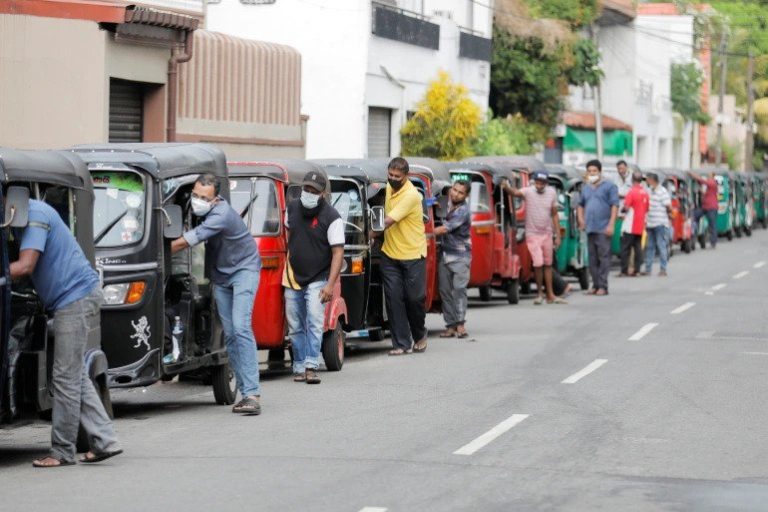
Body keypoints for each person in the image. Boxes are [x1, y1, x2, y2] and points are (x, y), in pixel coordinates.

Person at [11, 199, 121, 468]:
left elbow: (25, 265)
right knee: (74, 374)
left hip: (75, 297)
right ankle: (105, 440)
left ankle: (62, 451)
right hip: (72, 297)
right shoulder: (20, 217)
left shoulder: (35, 213)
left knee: (65, 375)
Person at [171, 174, 263, 415]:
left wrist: (152, 252)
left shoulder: (221, 214)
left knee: (242, 327)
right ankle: (245, 393)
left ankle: (252, 393)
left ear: (215, 199)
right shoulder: (190, 206)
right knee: (231, 335)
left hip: (244, 269)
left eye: (205, 198)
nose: (199, 200)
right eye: (196, 195)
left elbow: (188, 241)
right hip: (221, 275)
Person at [283, 170, 344, 384]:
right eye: (306, 189)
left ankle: (311, 366)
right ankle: (299, 366)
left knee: (315, 321)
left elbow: (338, 252)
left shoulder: (332, 217)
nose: (308, 193)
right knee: (295, 325)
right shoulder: (290, 209)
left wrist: (330, 285)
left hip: (319, 277)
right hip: (292, 277)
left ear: (322, 193)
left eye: (313, 191)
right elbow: (289, 238)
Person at [379, 157, 428, 355]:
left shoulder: (411, 195)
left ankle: (419, 334)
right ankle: (401, 343)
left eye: (396, 176)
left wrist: (370, 232)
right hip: (389, 253)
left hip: (412, 253)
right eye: (390, 175)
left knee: (414, 298)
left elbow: (387, 221)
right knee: (393, 298)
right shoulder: (389, 188)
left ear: (406, 176)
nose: (392, 179)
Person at [504, 171, 566, 305]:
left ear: (546, 183)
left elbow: (554, 215)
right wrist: (505, 186)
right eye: (537, 182)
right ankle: (539, 294)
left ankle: (550, 295)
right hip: (532, 234)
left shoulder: (552, 193)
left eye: (542, 183)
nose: (539, 185)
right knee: (538, 263)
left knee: (548, 264)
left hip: (547, 234)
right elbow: (515, 193)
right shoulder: (528, 191)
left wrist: (558, 235)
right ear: (534, 182)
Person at [434, 179, 472, 339]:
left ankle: (460, 324)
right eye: (454, 190)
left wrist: (422, 233)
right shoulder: (444, 203)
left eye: (460, 192)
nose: (455, 194)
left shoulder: (464, 210)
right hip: (444, 255)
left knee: (459, 291)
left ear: (466, 195)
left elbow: (445, 228)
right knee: (445, 292)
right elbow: (430, 205)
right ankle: (450, 326)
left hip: (460, 256)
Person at [577, 159, 619, 296]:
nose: (592, 173)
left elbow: (614, 205)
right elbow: (580, 205)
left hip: (603, 227)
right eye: (589, 171)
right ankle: (595, 285)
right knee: (592, 259)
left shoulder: (609, 186)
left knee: (604, 257)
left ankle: (603, 286)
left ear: (600, 172)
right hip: (590, 228)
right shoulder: (586, 188)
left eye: (594, 171)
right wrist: (581, 219)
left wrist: (611, 224)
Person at [618, 171, 649, 277]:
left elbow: (626, 207)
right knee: (638, 248)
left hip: (629, 225)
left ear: (632, 180)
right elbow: (647, 208)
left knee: (625, 248)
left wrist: (621, 211)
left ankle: (624, 270)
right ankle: (637, 270)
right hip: (640, 225)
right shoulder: (645, 193)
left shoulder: (631, 192)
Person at [643, 172, 673, 276]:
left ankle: (663, 269)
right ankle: (648, 269)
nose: (646, 182)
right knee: (650, 247)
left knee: (661, 246)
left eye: (648, 180)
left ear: (652, 180)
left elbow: (669, 206)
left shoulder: (662, 191)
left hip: (660, 223)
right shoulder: (648, 191)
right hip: (650, 223)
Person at [689, 170, 719, 249]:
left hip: (712, 207)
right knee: (694, 216)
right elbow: (707, 193)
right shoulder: (709, 185)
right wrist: (702, 192)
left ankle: (713, 242)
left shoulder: (713, 183)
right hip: (705, 207)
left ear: (713, 176)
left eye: (709, 174)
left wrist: (694, 175)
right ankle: (693, 235)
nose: (708, 176)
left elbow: (703, 181)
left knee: (712, 225)